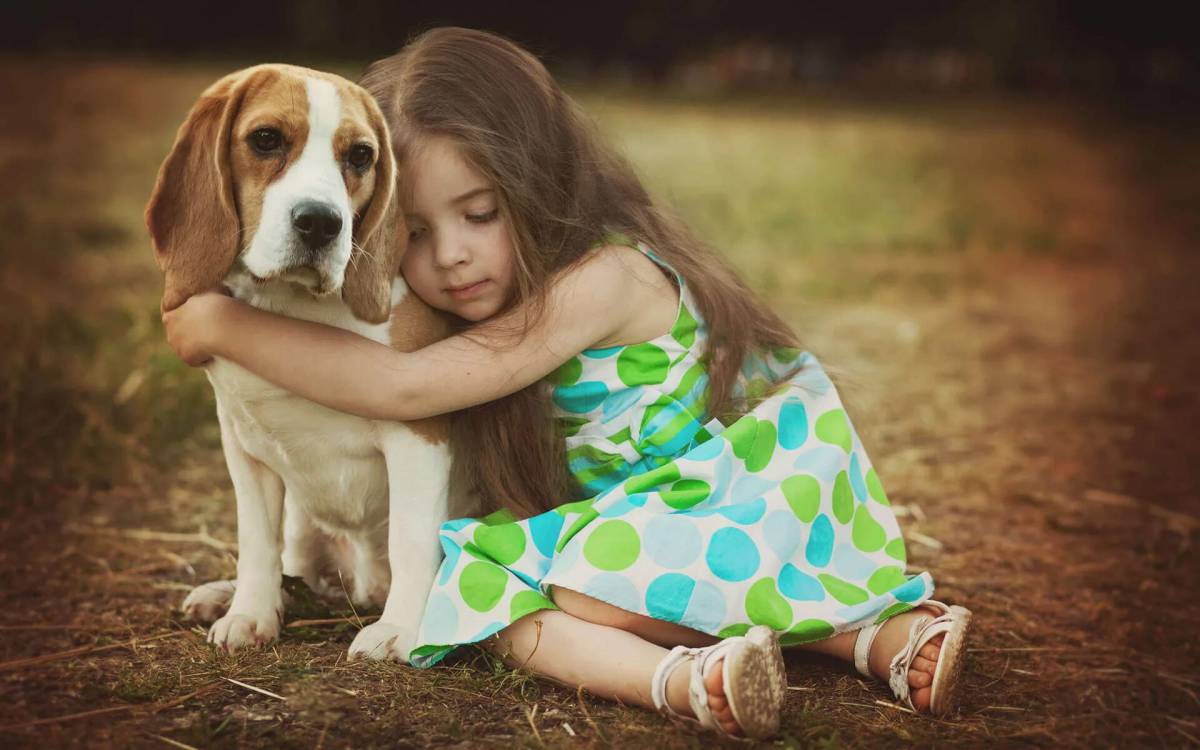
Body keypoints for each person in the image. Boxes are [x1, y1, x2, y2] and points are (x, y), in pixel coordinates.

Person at [162, 27, 972, 739]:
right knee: (517, 580)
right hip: (657, 531)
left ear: (540, 183)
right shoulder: (492, 294)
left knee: (490, 590)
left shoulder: (604, 280)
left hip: (720, 508)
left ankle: (684, 682)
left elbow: (405, 391)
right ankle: (882, 640)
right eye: (415, 231)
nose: (450, 256)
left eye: (480, 214)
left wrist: (227, 326)